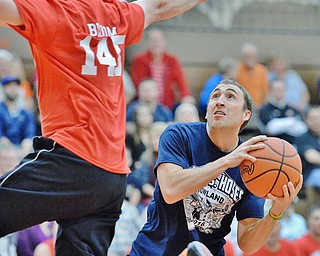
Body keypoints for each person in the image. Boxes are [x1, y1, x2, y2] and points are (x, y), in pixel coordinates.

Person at [0, 0, 206, 255]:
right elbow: (161, 6)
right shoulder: (116, 13)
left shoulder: (58, 11)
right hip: (111, 179)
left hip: (72, 161)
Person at [129, 79, 302, 255]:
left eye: (230, 97)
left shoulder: (252, 163)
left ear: (246, 115)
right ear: (207, 111)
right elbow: (171, 190)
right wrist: (227, 161)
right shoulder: (179, 134)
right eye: (215, 96)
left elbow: (247, 245)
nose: (220, 101)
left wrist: (276, 211)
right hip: (153, 251)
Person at [130, 28, 195, 110]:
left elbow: (181, 81)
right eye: (152, 40)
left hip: (167, 104)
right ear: (148, 43)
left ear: (164, 42)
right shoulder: (139, 60)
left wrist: (186, 96)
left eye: (159, 40)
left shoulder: (172, 60)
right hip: (145, 105)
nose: (156, 43)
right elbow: (138, 83)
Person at [258, 79, 307, 144]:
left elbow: (302, 129)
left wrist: (279, 125)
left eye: (282, 90)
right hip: (271, 145)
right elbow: (270, 129)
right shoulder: (264, 109)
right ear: (270, 91)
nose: (280, 92)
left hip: (292, 144)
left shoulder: (292, 108)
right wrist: (291, 122)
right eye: (277, 90)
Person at [0, 76, 36, 152]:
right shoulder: (1, 110)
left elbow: (29, 134)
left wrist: (26, 144)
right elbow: (1, 137)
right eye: (9, 86)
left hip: (20, 149)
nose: (12, 89)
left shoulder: (25, 113)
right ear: (4, 89)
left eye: (15, 86)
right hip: (4, 148)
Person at [236, 42, 269, 108]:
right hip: (242, 106)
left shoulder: (262, 70)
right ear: (243, 57)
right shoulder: (237, 70)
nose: (250, 59)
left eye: (252, 57)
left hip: (259, 106)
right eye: (247, 57)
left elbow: (265, 91)